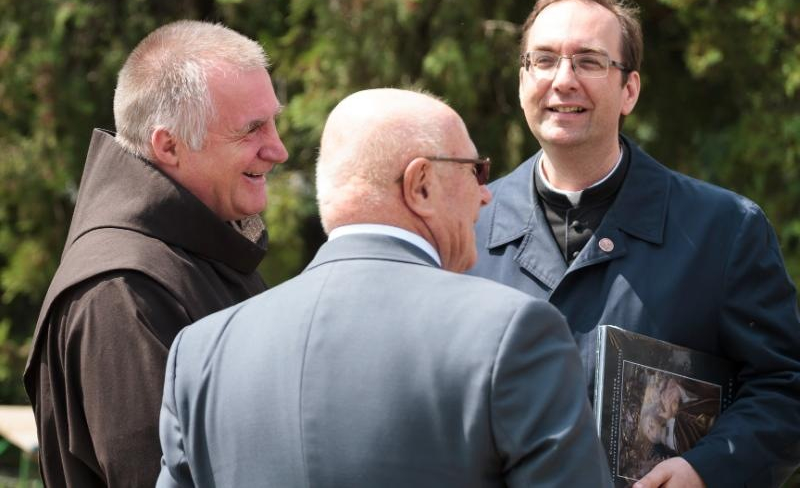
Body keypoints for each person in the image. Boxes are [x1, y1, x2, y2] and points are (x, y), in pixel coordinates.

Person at [156, 88, 612, 488]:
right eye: (475, 171)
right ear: (421, 185)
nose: (486, 193)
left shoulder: (200, 353)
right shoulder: (512, 332)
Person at [468, 0, 800, 488]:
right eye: (544, 60)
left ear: (630, 90)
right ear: (522, 81)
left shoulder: (723, 231)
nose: (563, 80)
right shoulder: (466, 228)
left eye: (589, 61)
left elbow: (786, 387)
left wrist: (707, 469)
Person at [23, 20, 288, 487]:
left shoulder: (201, 254)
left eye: (273, 122)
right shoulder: (121, 293)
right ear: (169, 145)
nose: (278, 149)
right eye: (252, 130)